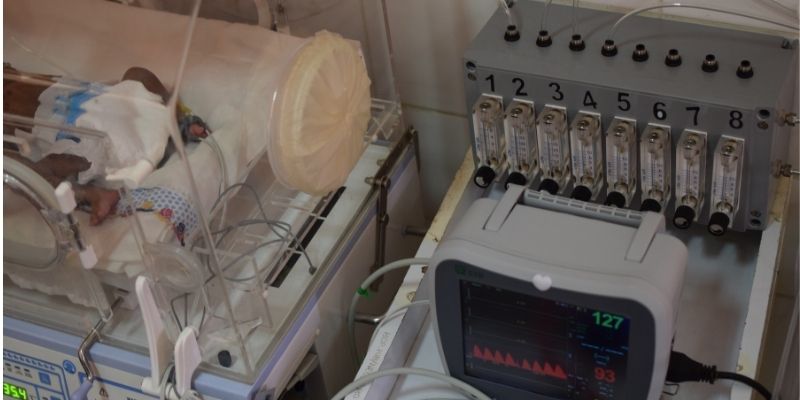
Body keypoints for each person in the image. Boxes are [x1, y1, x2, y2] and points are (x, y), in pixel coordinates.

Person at [4, 64, 209, 225]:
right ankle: (90, 194)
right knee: (28, 172)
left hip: (113, 105)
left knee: (138, 73)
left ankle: (178, 124)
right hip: (81, 135)